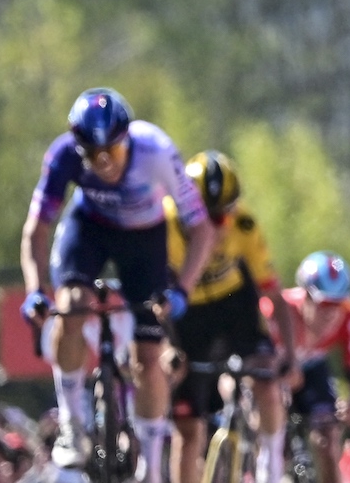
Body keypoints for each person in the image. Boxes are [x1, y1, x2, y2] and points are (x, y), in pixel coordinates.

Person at [18, 88, 215, 483]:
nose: (105, 163)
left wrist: (183, 290)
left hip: (144, 240)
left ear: (128, 139)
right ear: (79, 149)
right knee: (72, 304)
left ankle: (150, 467)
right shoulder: (62, 156)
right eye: (93, 155)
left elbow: (202, 230)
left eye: (114, 151)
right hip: (89, 229)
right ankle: (73, 425)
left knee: (148, 355)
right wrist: (35, 289)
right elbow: (36, 232)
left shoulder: (155, 150)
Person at [165, 150, 297, 483]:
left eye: (225, 214)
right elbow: (154, 298)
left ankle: (271, 467)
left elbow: (273, 294)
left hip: (234, 304)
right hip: (187, 316)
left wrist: (289, 356)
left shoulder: (245, 225)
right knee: (187, 425)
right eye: (210, 217)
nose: (219, 226)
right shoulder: (164, 224)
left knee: (266, 379)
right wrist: (168, 347)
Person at [266, 252, 350, 483]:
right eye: (324, 304)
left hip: (313, 370)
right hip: (276, 372)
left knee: (327, 439)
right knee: (266, 420)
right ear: (305, 297)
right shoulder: (276, 311)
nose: (331, 314)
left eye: (338, 305)